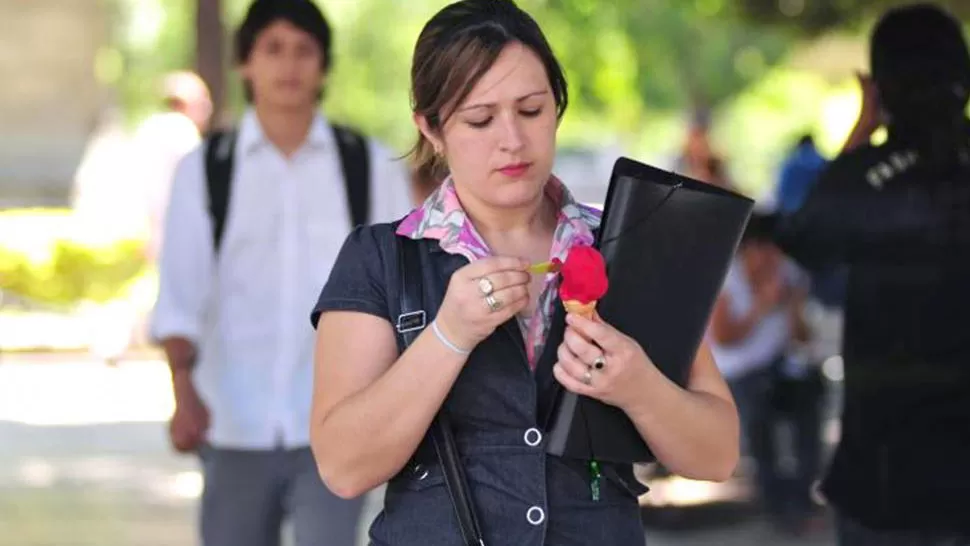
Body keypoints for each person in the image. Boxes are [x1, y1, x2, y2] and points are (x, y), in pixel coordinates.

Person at [308, 1, 740, 544]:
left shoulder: (630, 244)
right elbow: (343, 467)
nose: (511, 140)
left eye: (532, 110)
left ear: (557, 108)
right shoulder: (380, 258)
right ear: (431, 128)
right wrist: (447, 336)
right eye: (480, 119)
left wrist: (638, 386)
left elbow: (719, 453)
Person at [150, 1, 413, 545]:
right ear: (245, 64)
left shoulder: (367, 164)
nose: (288, 65)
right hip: (233, 419)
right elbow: (181, 288)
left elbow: (400, 288)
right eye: (272, 49)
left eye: (304, 50)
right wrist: (183, 392)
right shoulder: (206, 170)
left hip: (340, 422)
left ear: (323, 65)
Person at [776, 4, 970, 544]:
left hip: (886, 475)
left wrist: (862, 130)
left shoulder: (864, 182)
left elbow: (804, 240)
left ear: (881, 88)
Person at [708, 212, 815, 534]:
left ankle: (801, 498)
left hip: (780, 366)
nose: (770, 259)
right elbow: (724, 337)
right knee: (760, 430)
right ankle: (776, 505)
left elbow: (803, 337)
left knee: (808, 420)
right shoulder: (729, 278)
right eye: (763, 250)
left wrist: (793, 307)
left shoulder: (791, 275)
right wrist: (760, 306)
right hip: (739, 371)